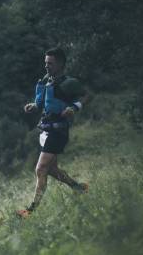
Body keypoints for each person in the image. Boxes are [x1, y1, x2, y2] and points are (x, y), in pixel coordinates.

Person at [17, 47, 90, 218]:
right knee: (51, 169)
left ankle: (30, 211)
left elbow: (88, 95)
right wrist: (33, 106)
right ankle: (79, 188)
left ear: (61, 64)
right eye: (45, 63)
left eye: (50, 63)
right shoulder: (44, 81)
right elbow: (40, 103)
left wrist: (74, 107)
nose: (47, 66)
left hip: (59, 131)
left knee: (41, 169)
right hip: (45, 129)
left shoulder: (69, 83)